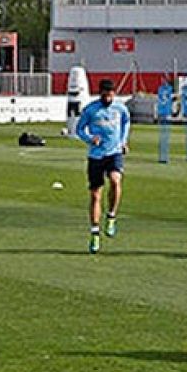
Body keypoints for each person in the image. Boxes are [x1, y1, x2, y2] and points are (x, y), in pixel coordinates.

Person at [77, 79, 130, 254]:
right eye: (105, 94)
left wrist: (123, 141)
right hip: (96, 156)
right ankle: (95, 233)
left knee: (116, 180)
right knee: (95, 195)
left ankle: (112, 216)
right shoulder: (91, 110)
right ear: (100, 93)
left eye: (111, 94)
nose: (108, 97)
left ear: (114, 93)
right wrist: (90, 139)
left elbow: (126, 122)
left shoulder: (120, 108)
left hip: (114, 153)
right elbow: (79, 129)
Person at [63, 64, 88, 137]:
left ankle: (77, 130)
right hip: (72, 99)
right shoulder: (72, 81)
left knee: (78, 113)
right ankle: (71, 130)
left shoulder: (80, 80)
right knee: (71, 113)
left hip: (78, 99)